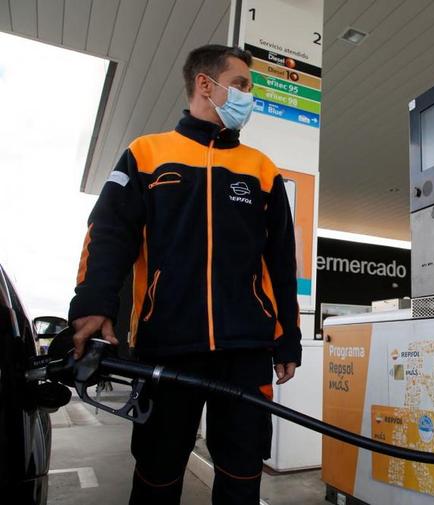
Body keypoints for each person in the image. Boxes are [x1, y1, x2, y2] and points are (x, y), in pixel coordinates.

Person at [67, 44, 302, 505]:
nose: (246, 97)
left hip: (246, 349)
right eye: (241, 85)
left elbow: (281, 262)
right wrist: (92, 306)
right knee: (158, 466)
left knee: (242, 468)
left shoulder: (261, 170)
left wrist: (287, 337)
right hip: (167, 345)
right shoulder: (146, 154)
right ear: (205, 85)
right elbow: (109, 235)